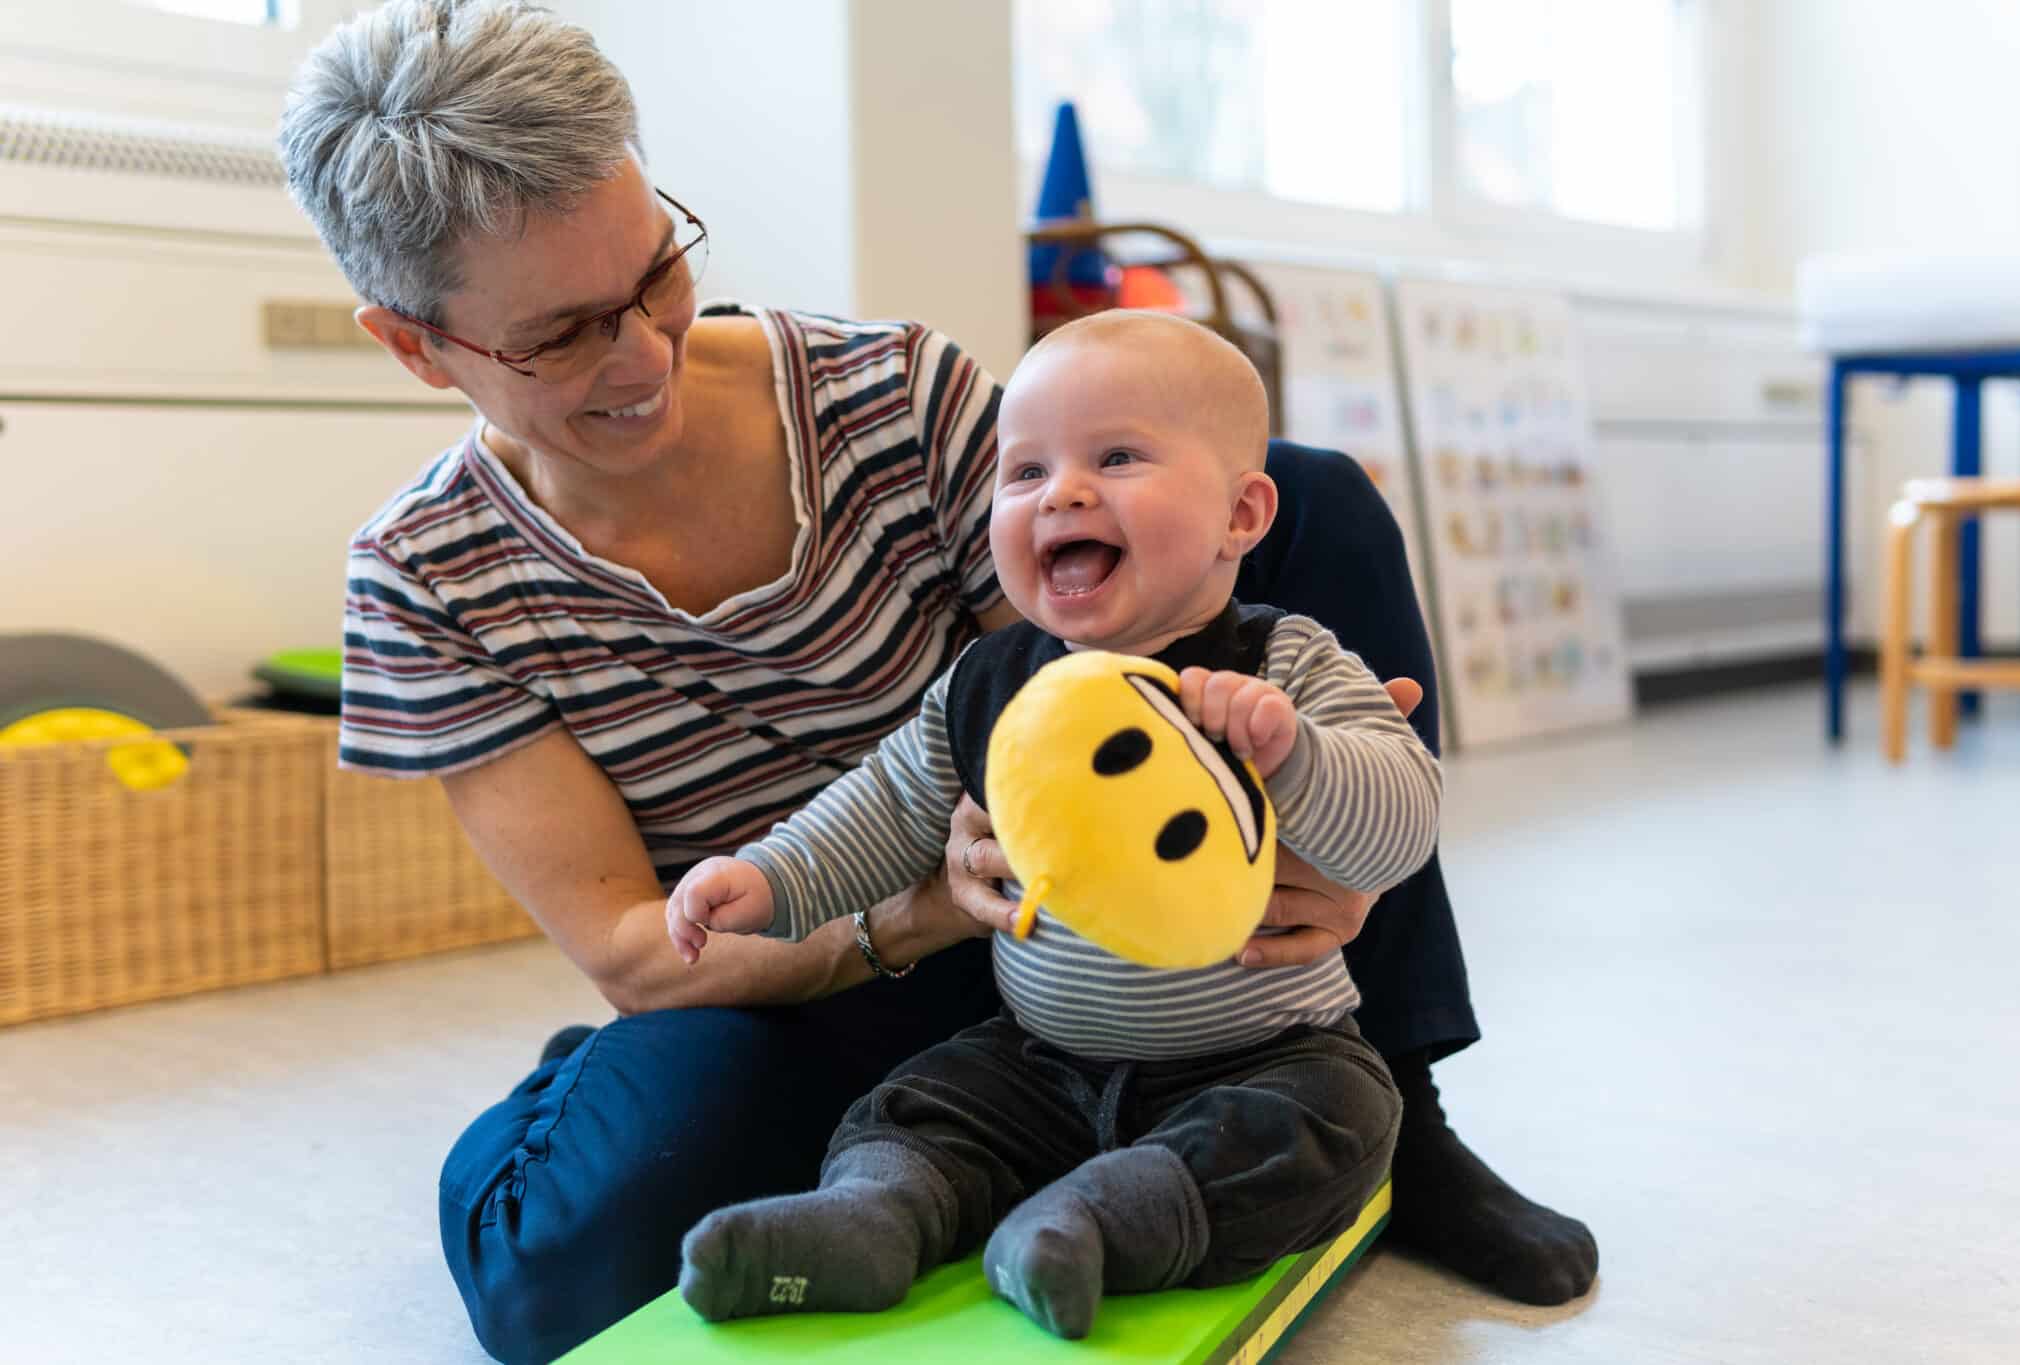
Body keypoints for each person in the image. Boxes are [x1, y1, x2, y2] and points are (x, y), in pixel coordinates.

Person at [278, 3, 1596, 1361]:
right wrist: (917, 908)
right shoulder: (424, 576)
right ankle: (844, 1172)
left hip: (1064, 938)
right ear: (417, 345)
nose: (644, 352)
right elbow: (634, 945)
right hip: (804, 970)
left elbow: (1091, 663)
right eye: (562, 335)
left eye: (657, 270)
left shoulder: (890, 393)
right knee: (561, 1278)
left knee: (1289, 497)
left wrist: (1316, 840)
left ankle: (1404, 1109)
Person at [666, 310, 1440, 1338]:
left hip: (1260, 1056)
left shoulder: (1283, 664)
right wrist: (769, 878)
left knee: (1344, 1121)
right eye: (1024, 471)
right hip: (1038, 1059)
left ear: (1240, 514)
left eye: (1116, 458)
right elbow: (885, 802)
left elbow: (1403, 822)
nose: (1061, 492)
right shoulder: (990, 685)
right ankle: (869, 1217)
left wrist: (1296, 754)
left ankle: (1098, 1223)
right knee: (916, 1102)